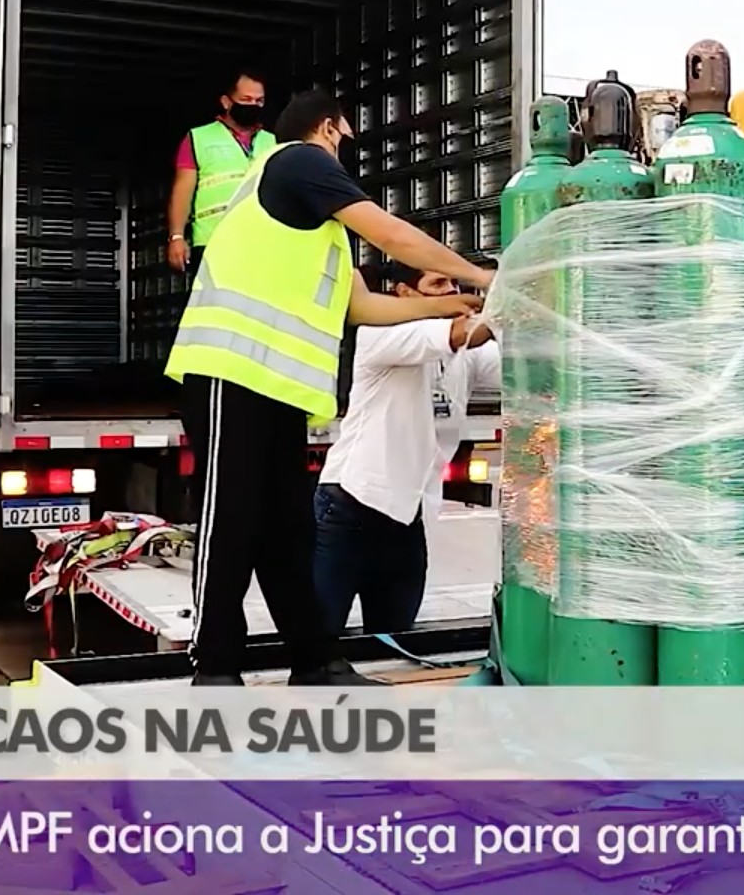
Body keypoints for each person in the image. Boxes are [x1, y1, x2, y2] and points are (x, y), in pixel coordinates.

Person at [165, 88, 496, 687]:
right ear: (328, 127)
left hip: (276, 389)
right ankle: (214, 667)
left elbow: (363, 308)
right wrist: (482, 274)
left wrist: (456, 306)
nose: (344, 150)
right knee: (232, 521)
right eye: (344, 137)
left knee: (287, 529)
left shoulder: (316, 228)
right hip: (227, 371)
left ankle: (314, 660)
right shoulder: (297, 160)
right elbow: (393, 235)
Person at [314, 262, 500, 636]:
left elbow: (514, 366)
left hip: (407, 518)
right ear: (404, 294)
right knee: (318, 641)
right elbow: (460, 333)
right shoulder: (380, 335)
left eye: (453, 283)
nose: (450, 291)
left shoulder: (464, 354)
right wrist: (505, 301)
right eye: (438, 281)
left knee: (393, 641)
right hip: (350, 509)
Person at [170, 70, 278, 275]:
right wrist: (177, 236)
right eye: (246, 99)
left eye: (259, 101)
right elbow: (183, 190)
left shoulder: (273, 141)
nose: (253, 105)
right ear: (226, 102)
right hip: (213, 243)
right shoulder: (198, 138)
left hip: (263, 244)